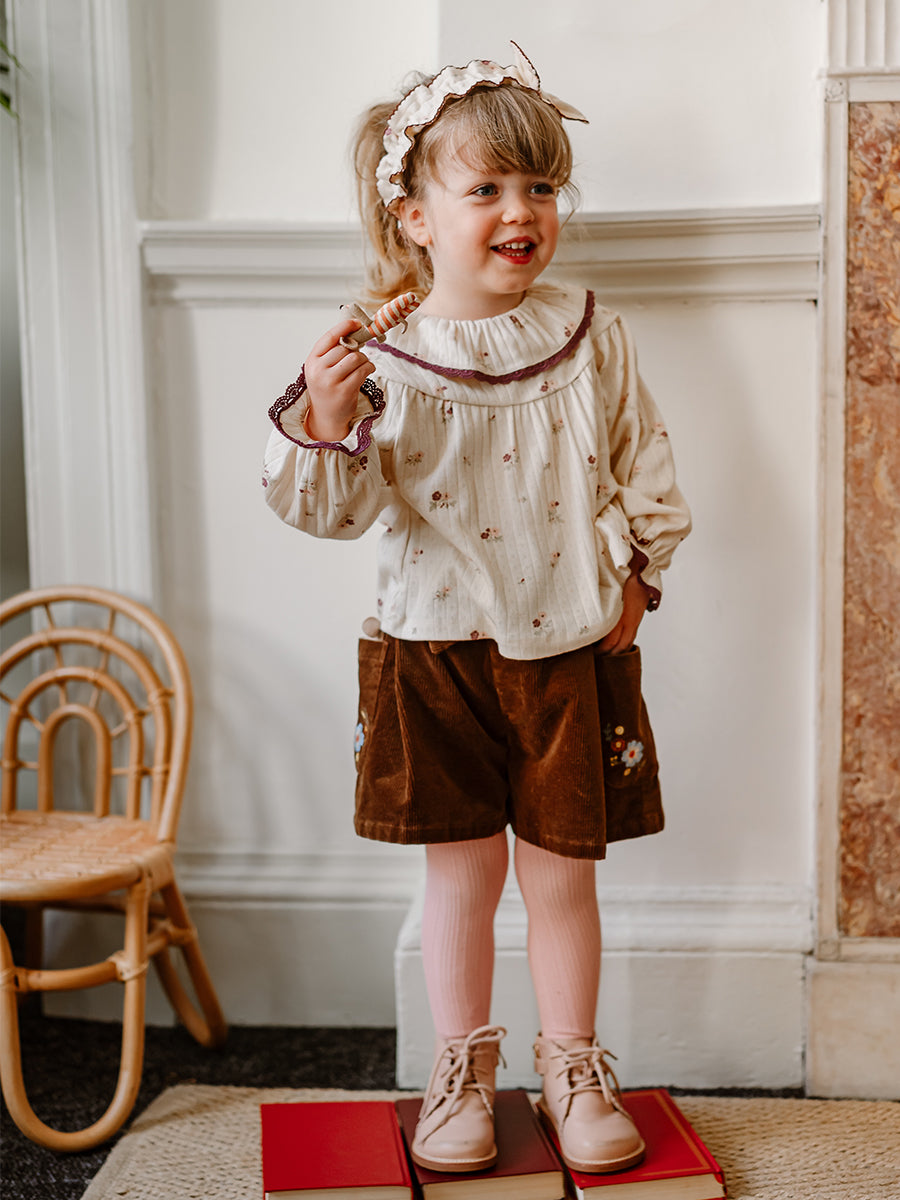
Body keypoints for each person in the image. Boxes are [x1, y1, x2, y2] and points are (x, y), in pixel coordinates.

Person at [263, 43, 691, 1176]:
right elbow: (332, 512)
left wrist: (638, 574)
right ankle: (459, 1071)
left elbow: (643, 461)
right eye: (487, 187)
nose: (521, 210)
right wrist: (324, 420)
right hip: (431, 656)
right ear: (413, 216)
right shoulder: (378, 354)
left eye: (542, 186)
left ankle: (572, 1066)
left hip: (565, 650)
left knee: (562, 876)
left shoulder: (590, 333)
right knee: (459, 878)